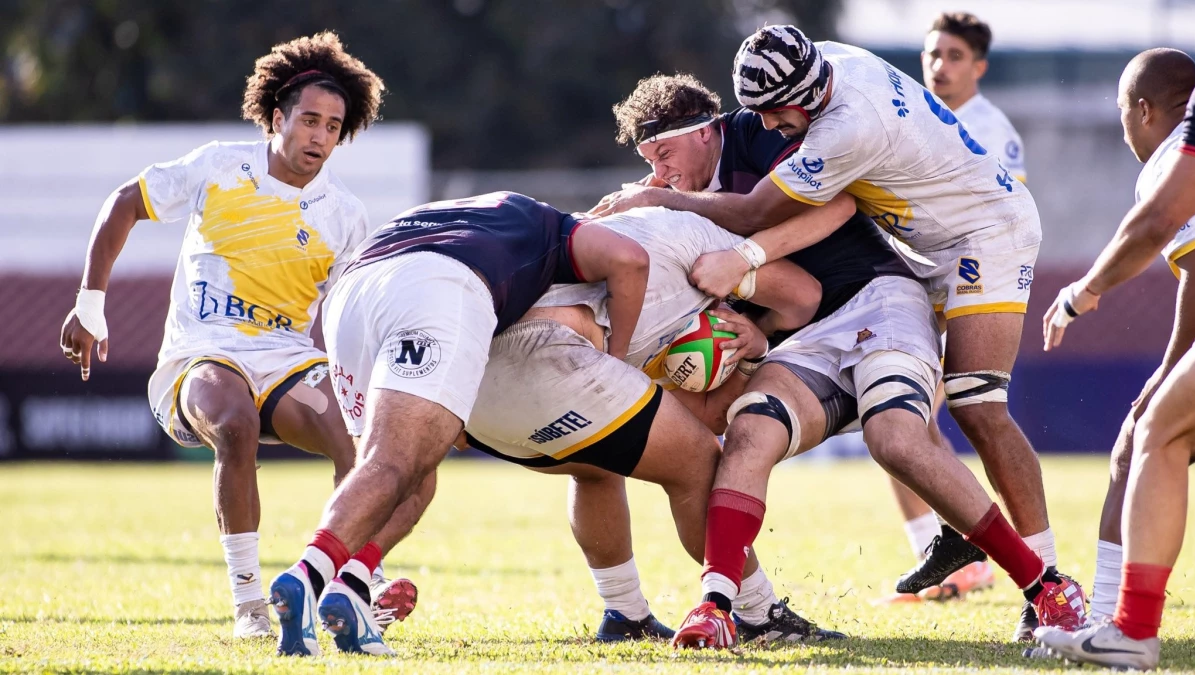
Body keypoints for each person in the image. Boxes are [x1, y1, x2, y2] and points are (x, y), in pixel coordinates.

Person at [593, 25, 1069, 640]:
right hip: (833, 317)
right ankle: (717, 605)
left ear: (707, 130)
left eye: (663, 155)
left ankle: (1048, 584)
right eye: (647, 163)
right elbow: (793, 289)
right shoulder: (807, 84)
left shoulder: (825, 130)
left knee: (957, 411)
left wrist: (741, 257)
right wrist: (754, 333)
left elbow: (817, 211)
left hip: (947, 256)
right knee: (747, 432)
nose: (766, 125)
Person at [56, 32, 421, 640]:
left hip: (287, 364)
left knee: (362, 443)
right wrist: (89, 304)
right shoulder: (221, 167)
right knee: (235, 423)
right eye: (308, 120)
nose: (319, 137)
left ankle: (351, 584)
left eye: (333, 127)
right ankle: (251, 605)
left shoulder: (345, 215)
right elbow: (124, 203)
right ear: (277, 118)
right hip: (201, 357)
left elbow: (352, 313)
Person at [269, 192, 651, 656]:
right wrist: (620, 361)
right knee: (394, 463)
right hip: (437, 287)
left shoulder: (459, 214)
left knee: (407, 474)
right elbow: (629, 259)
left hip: (351, 295)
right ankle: (306, 577)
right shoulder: (552, 227)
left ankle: (351, 586)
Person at [464, 204, 847, 644]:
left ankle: (624, 613)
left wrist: (753, 348)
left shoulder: (626, 238)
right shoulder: (694, 235)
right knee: (701, 463)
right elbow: (803, 295)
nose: (662, 170)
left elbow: (704, 415)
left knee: (596, 464)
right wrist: (748, 283)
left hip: (479, 398)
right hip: (547, 355)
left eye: (665, 154)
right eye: (655, 156)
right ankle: (761, 615)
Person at [1032, 53, 1195, 671]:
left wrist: (1084, 292)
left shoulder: (1173, 151)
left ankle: (1117, 621)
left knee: (1150, 434)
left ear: (1144, 110)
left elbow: (1179, 247)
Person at [885, 10, 1029, 604]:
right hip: (911, 287)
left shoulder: (992, 131)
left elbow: (1007, 216)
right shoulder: (914, 117)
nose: (938, 66)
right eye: (931, 55)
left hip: (964, 294)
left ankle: (957, 561)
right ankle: (943, 559)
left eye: (952, 56)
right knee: (898, 422)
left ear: (979, 66)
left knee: (907, 423)